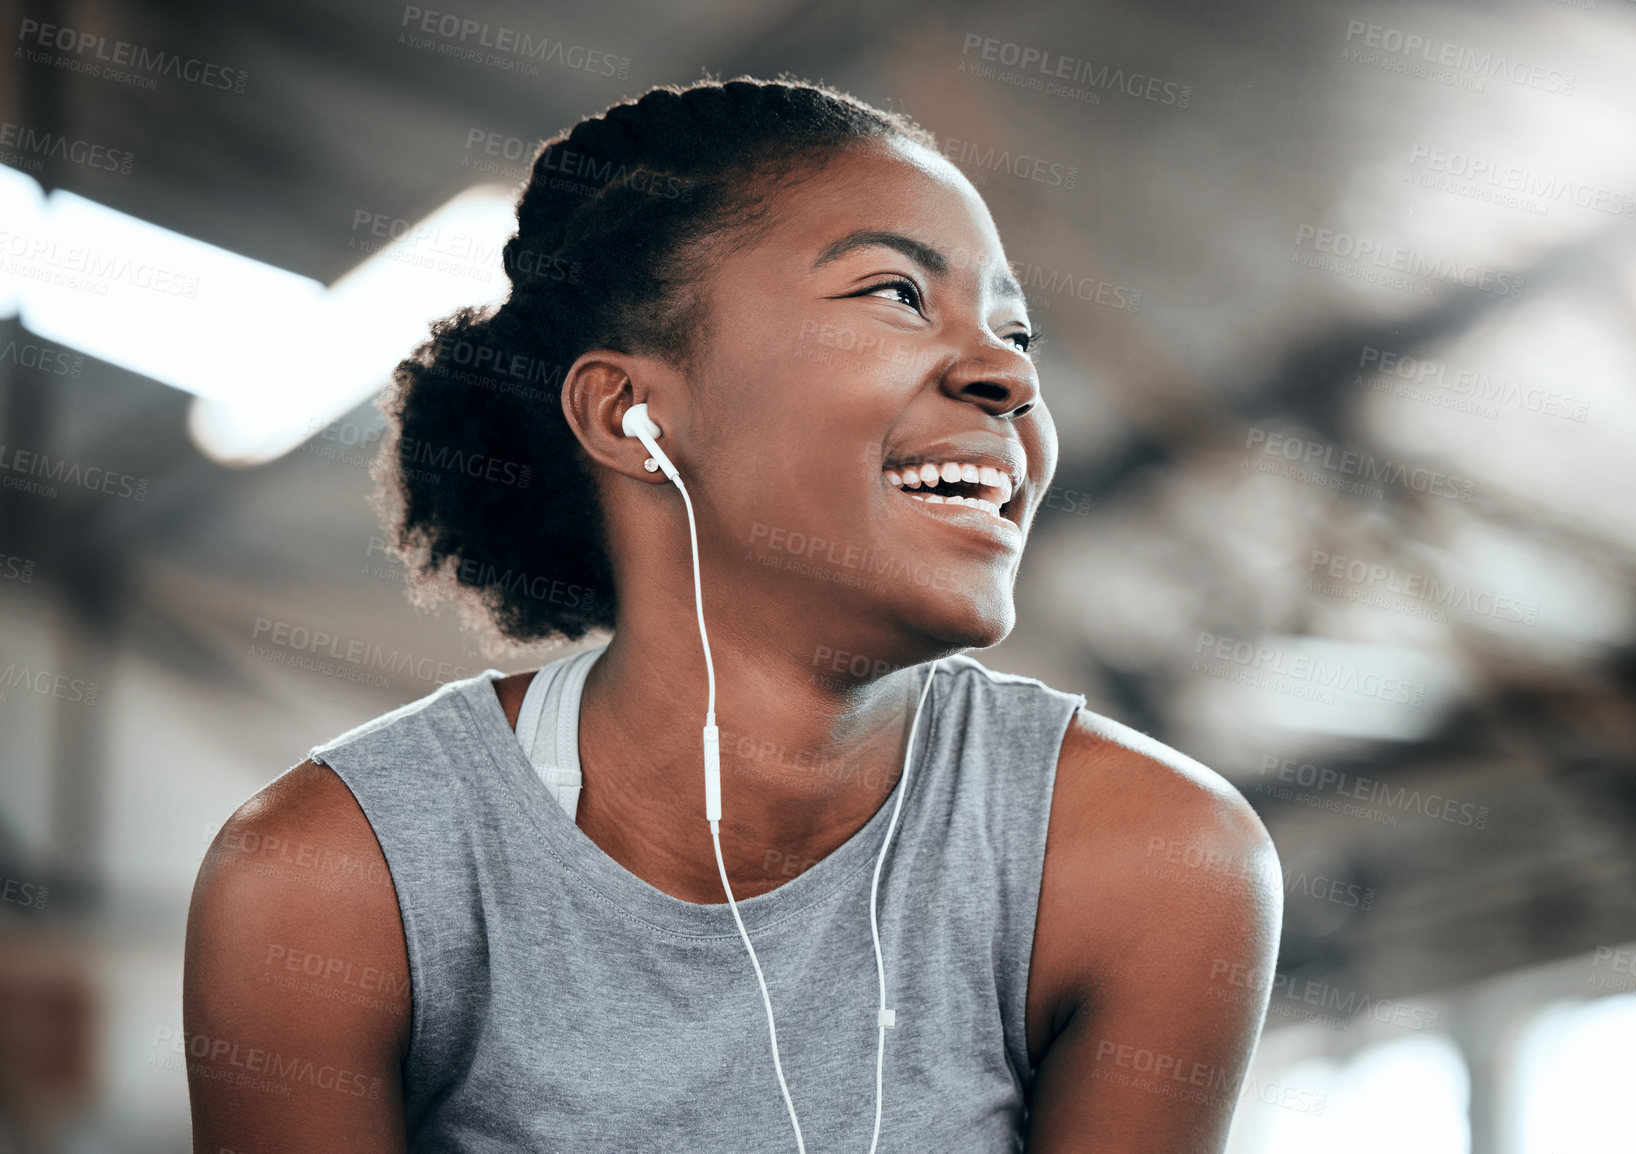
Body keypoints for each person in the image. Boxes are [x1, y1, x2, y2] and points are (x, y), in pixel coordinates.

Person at [183, 76, 1280, 1153]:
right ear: (631, 412)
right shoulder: (330, 876)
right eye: (896, 292)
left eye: (1018, 333)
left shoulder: (1155, 856)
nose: (1006, 374)